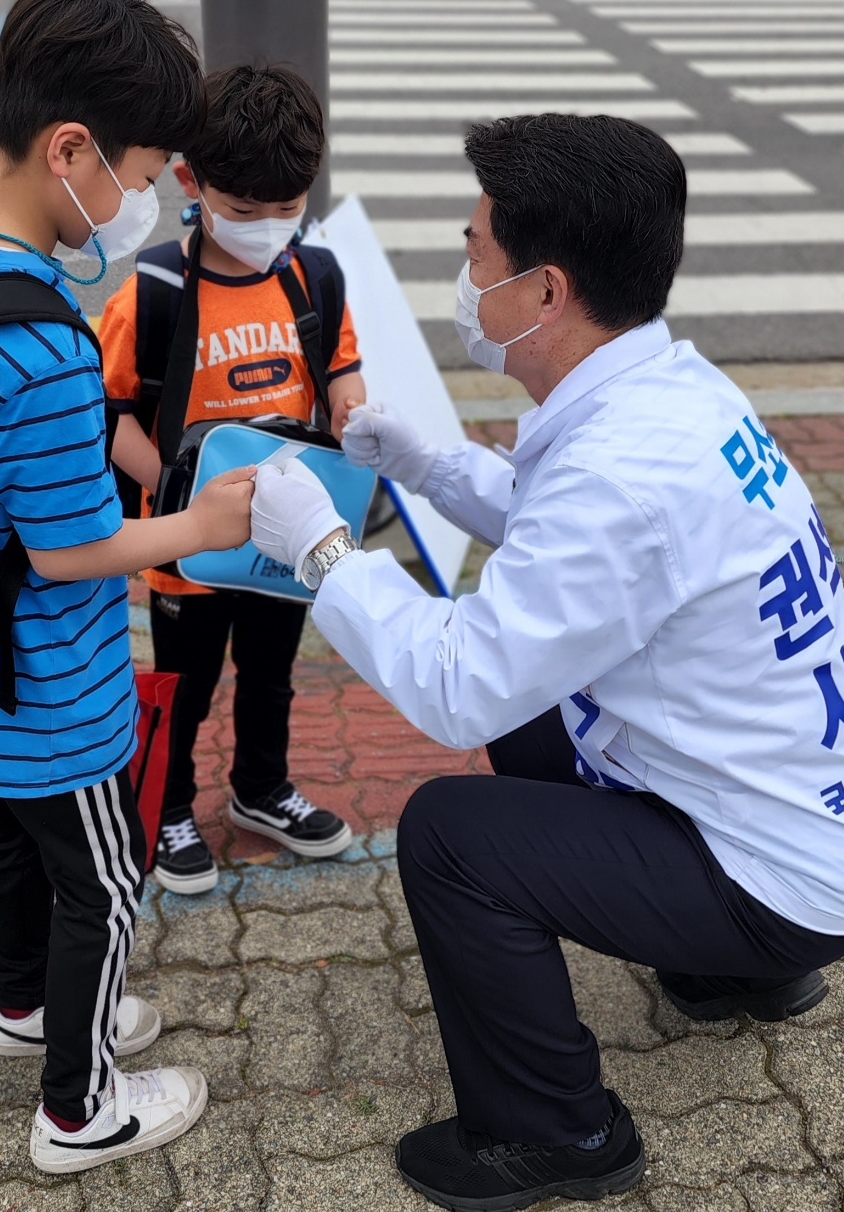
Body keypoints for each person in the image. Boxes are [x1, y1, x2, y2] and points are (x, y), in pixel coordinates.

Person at [249, 112, 844, 1212]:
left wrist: (324, 555)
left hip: (782, 872)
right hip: (798, 811)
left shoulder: (621, 471)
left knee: (450, 835)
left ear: (544, 292)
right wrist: (430, 466)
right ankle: (742, 976)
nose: (463, 273)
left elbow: (453, 682)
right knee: (533, 708)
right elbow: (562, 533)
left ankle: (557, 1133)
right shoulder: (669, 392)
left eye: (476, 250)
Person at [0, 0, 255, 1174]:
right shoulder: (45, 345)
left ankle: (21, 1007)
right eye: (145, 169)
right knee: (104, 884)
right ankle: (80, 1107)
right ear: (71, 151)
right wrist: (202, 519)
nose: (146, 199)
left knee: (9, 840)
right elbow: (71, 548)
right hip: (56, 684)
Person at [98, 64, 365, 894]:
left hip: (282, 541)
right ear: (191, 181)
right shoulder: (152, 295)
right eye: (246, 211)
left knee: (273, 671)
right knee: (186, 683)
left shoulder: (311, 274)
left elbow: (340, 369)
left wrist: (356, 413)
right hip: (188, 547)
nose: (268, 226)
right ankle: (170, 803)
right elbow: (107, 418)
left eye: (287, 210)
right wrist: (180, 496)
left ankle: (259, 789)